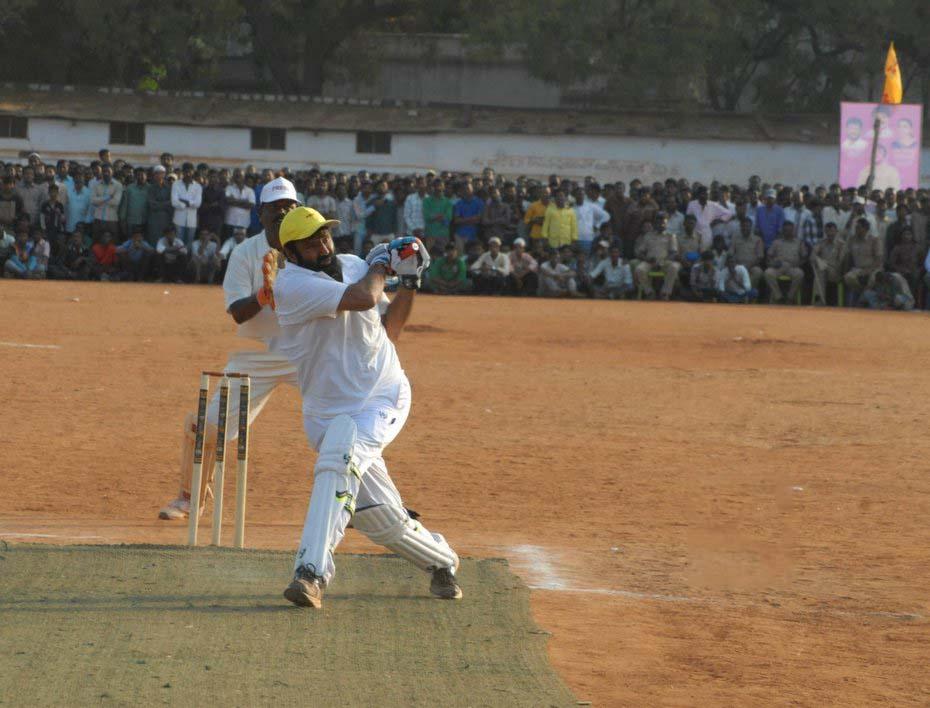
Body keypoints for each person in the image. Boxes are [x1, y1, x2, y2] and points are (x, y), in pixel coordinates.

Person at [271, 207, 461, 608]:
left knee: (342, 458)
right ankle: (442, 561)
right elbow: (363, 297)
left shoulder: (356, 264)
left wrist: (410, 280)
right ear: (291, 252)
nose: (323, 246)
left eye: (324, 236)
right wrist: (380, 264)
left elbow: (389, 326)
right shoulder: (291, 286)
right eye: (311, 243)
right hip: (325, 412)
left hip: (383, 396)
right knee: (379, 516)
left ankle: (311, 573)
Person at [157, 177, 303, 521]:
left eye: (289, 206)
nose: (283, 212)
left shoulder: (312, 242)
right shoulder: (244, 253)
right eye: (275, 207)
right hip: (262, 355)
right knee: (206, 425)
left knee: (354, 416)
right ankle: (190, 498)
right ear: (261, 214)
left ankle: (374, 504)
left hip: (310, 350)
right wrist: (263, 295)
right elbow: (238, 313)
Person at [633, 212, 680, 300]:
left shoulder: (671, 236)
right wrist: (647, 259)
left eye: (664, 223)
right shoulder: (648, 235)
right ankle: (649, 292)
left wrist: (662, 263)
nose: (662, 225)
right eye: (659, 222)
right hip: (650, 262)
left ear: (667, 223)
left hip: (665, 261)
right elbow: (640, 252)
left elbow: (674, 252)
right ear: (655, 223)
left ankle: (665, 293)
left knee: (674, 267)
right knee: (639, 269)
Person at [763, 221, 806, 304]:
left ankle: (790, 297)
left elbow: (804, 257)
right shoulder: (777, 242)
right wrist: (772, 263)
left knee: (800, 274)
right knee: (768, 273)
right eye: (786, 230)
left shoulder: (799, 242)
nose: (788, 232)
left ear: (793, 230)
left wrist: (798, 264)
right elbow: (768, 256)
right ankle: (778, 297)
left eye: (790, 230)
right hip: (779, 266)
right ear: (783, 231)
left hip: (792, 267)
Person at [843, 217, 882, 304]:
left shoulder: (874, 240)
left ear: (866, 229)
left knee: (872, 279)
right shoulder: (852, 240)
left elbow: (879, 260)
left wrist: (868, 271)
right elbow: (848, 256)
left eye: (859, 227)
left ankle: (864, 298)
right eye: (856, 227)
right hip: (858, 269)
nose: (856, 229)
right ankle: (862, 292)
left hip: (873, 268)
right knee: (848, 277)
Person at [810, 222, 846, 306]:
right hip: (823, 269)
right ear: (825, 232)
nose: (830, 234)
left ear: (836, 231)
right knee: (820, 271)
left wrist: (829, 266)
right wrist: (815, 256)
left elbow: (842, 261)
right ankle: (819, 300)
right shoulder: (821, 243)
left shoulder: (841, 245)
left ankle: (819, 301)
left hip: (836, 271)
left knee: (821, 271)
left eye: (832, 231)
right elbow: (812, 255)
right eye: (828, 231)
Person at [171, 162, 203, 245]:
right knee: (178, 243)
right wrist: (190, 203)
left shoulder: (198, 186)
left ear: (193, 172)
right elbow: (174, 202)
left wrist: (183, 201)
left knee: (189, 244)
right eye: (186, 172)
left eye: (190, 172)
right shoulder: (176, 184)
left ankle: (187, 258)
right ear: (182, 172)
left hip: (192, 221)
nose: (188, 174)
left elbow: (198, 204)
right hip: (178, 220)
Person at [90, 163, 123, 240]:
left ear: (112, 172)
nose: (106, 173)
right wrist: (108, 197)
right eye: (104, 171)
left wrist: (99, 199)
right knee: (96, 242)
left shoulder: (118, 185)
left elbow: (116, 202)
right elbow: (92, 201)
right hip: (98, 218)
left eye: (108, 171)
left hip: (112, 220)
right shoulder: (96, 184)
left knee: (112, 243)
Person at [452, 182, 484, 253]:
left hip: (473, 235)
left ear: (472, 189)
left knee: (472, 256)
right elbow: (456, 220)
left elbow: (478, 219)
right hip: (460, 235)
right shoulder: (459, 203)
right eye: (464, 189)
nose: (466, 190)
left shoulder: (479, 202)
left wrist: (463, 220)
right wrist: (472, 219)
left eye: (468, 189)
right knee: (461, 256)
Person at [119, 167, 149, 239]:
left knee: (144, 243)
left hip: (146, 221)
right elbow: (124, 205)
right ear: (135, 176)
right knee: (130, 242)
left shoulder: (150, 188)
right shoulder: (129, 188)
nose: (140, 177)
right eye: (138, 175)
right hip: (132, 222)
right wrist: (122, 220)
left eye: (143, 175)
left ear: (146, 176)